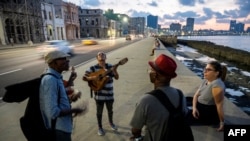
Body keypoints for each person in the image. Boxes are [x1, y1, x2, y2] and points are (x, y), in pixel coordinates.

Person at [129, 54, 189, 141]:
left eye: (151, 70)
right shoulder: (180, 94)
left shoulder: (145, 100)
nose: (149, 72)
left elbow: (135, 130)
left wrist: (137, 137)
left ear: (155, 75)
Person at [40, 50, 84, 141]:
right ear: (53, 62)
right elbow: (53, 112)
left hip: (64, 126)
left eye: (67, 59)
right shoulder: (50, 80)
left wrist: (70, 98)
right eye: (63, 59)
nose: (67, 61)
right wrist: (74, 110)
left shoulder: (57, 77)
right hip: (59, 129)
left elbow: (57, 100)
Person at [82, 52, 119, 136]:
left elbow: (116, 77)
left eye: (103, 55)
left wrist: (115, 70)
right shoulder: (93, 68)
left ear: (106, 57)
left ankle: (111, 123)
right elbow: (84, 77)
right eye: (99, 55)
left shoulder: (110, 66)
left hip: (110, 94)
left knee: (110, 110)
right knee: (99, 112)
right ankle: (100, 127)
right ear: (97, 58)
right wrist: (94, 77)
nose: (101, 56)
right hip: (99, 95)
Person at [188, 61, 227, 132]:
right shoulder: (206, 80)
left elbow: (219, 105)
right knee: (182, 99)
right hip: (199, 105)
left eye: (208, 70)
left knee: (179, 118)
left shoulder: (217, 86)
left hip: (206, 112)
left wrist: (222, 123)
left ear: (216, 73)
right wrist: (194, 108)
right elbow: (196, 95)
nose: (204, 71)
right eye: (205, 69)